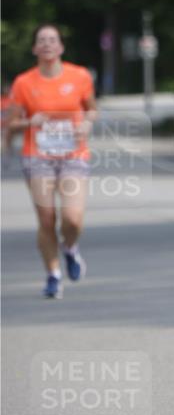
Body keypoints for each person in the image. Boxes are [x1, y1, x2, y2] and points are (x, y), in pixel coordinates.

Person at [6, 24, 97, 298]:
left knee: (72, 219)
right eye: (41, 40)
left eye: (52, 40)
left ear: (61, 47)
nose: (47, 44)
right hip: (38, 157)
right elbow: (10, 123)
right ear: (35, 48)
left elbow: (92, 110)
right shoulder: (24, 82)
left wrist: (87, 124)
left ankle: (69, 248)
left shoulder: (79, 76)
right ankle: (53, 275)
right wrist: (29, 122)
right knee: (47, 219)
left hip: (73, 155)